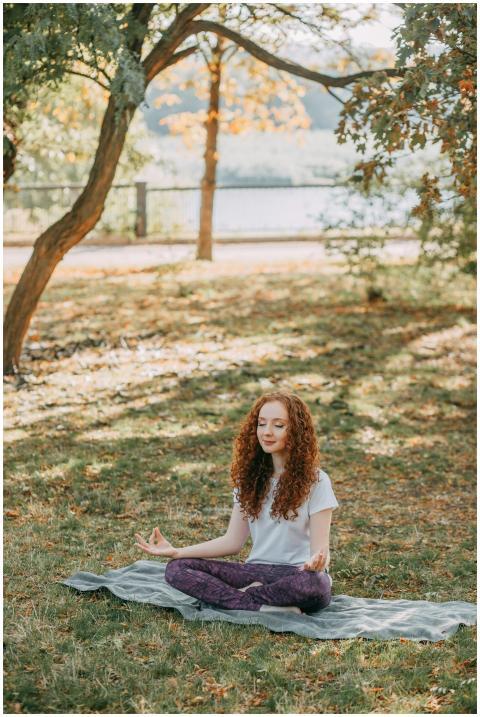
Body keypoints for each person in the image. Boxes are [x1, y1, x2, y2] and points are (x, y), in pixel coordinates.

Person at [135, 391, 339, 615]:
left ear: (297, 431)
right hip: (253, 571)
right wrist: (177, 552)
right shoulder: (249, 480)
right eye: (262, 424)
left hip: (297, 574)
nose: (267, 432)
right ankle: (263, 606)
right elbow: (232, 542)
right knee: (177, 569)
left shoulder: (317, 481)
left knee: (316, 584)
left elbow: (321, 552)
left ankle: (238, 599)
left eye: (279, 425)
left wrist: (315, 564)